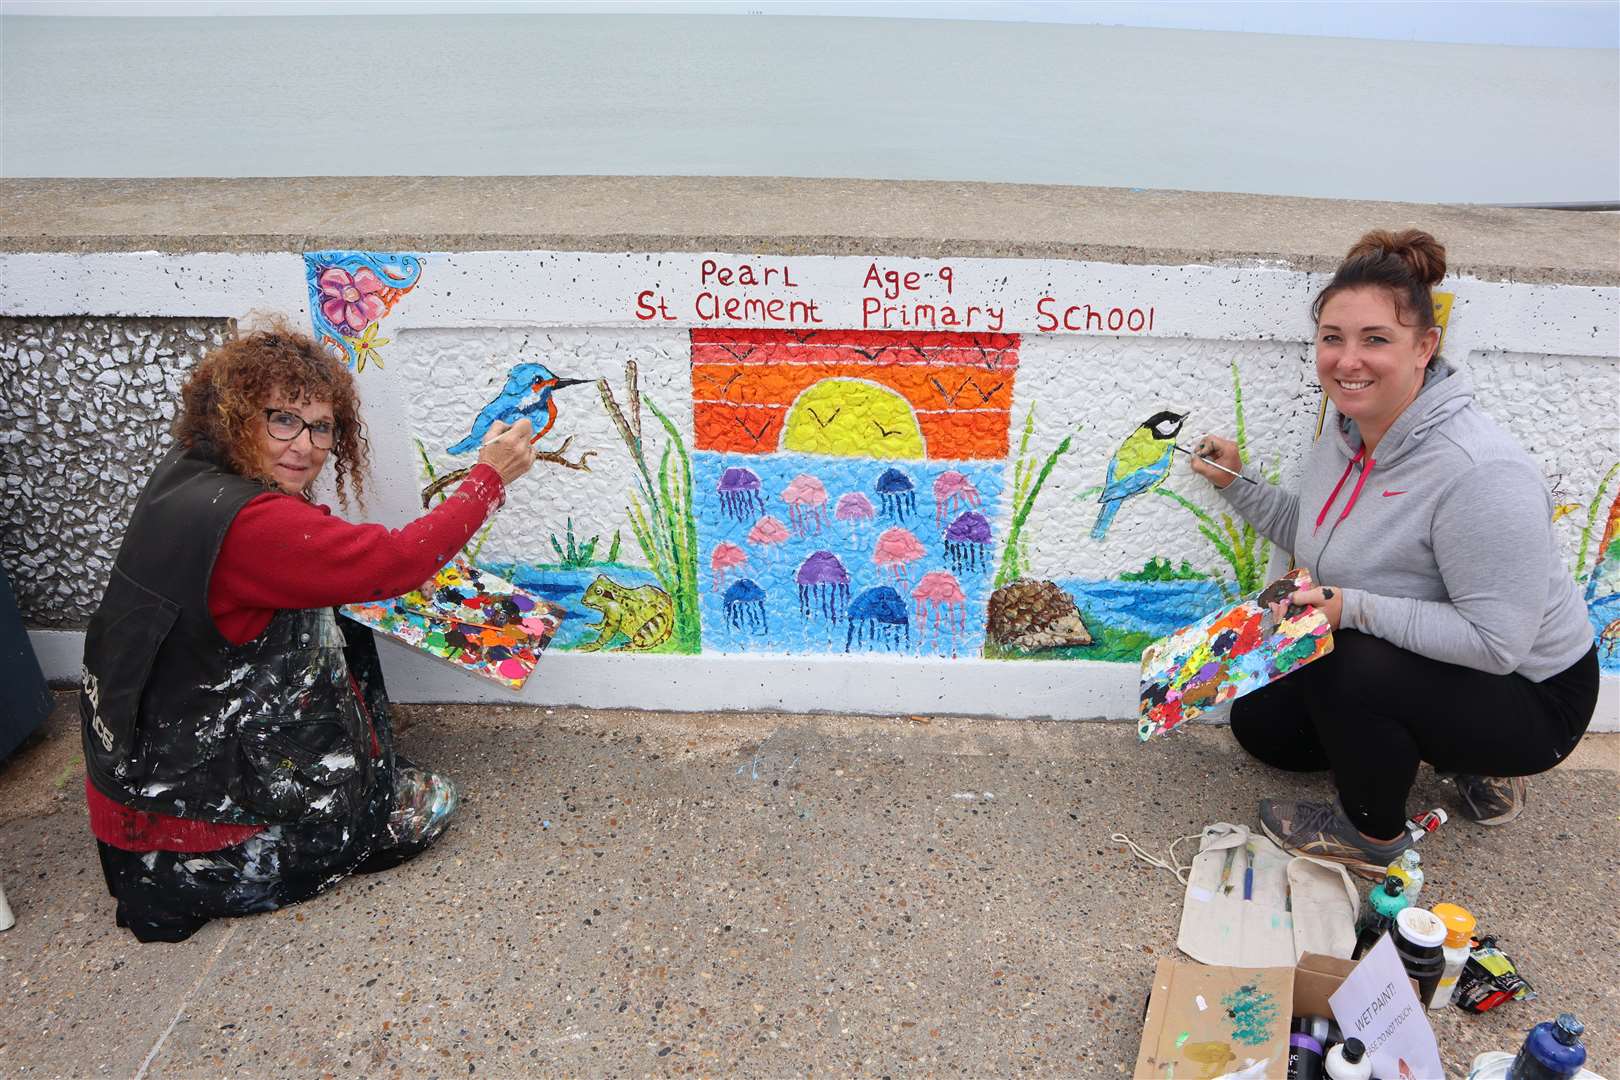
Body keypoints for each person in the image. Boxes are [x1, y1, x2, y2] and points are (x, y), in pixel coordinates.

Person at [80, 322, 540, 941]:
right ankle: (301, 832)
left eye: (321, 426)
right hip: (192, 842)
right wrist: (488, 477)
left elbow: (333, 557)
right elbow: (397, 565)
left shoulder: (188, 476)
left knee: (332, 604)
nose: (306, 445)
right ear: (232, 415)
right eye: (282, 419)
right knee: (426, 803)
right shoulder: (252, 526)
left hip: (137, 789)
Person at [1189, 229, 1598, 878]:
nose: (1347, 360)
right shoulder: (1348, 430)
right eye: (1332, 338)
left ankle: (1376, 837)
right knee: (1261, 726)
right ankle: (1423, 740)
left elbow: (1498, 644)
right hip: (1433, 658)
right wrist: (1240, 486)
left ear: (1424, 347)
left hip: (1533, 694)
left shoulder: (1480, 473)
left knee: (1345, 665)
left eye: (1375, 339)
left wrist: (1349, 608)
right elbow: (1323, 533)